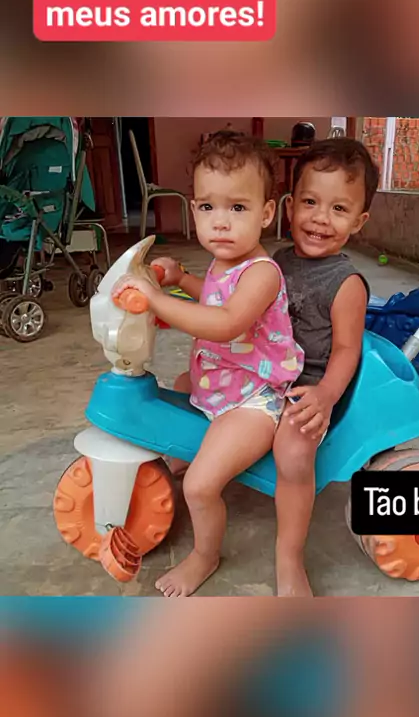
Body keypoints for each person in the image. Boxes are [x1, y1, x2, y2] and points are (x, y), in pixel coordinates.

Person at [112, 132, 304, 597]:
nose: (220, 222)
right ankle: (181, 459)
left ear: (266, 213)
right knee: (177, 389)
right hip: (216, 384)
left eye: (237, 207)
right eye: (206, 206)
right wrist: (182, 280)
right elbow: (214, 295)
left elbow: (226, 321)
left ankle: (204, 555)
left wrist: (158, 299)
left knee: (199, 486)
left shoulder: (262, 273)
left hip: (253, 401)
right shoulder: (224, 262)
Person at [272, 137, 379, 596]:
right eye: (311, 202)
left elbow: (347, 350)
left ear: (359, 221)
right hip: (264, 375)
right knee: (189, 386)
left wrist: (326, 395)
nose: (320, 218)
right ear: (290, 206)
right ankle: (181, 463)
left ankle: (289, 558)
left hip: (308, 387)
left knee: (294, 453)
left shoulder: (346, 282)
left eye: (338, 209)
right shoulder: (277, 261)